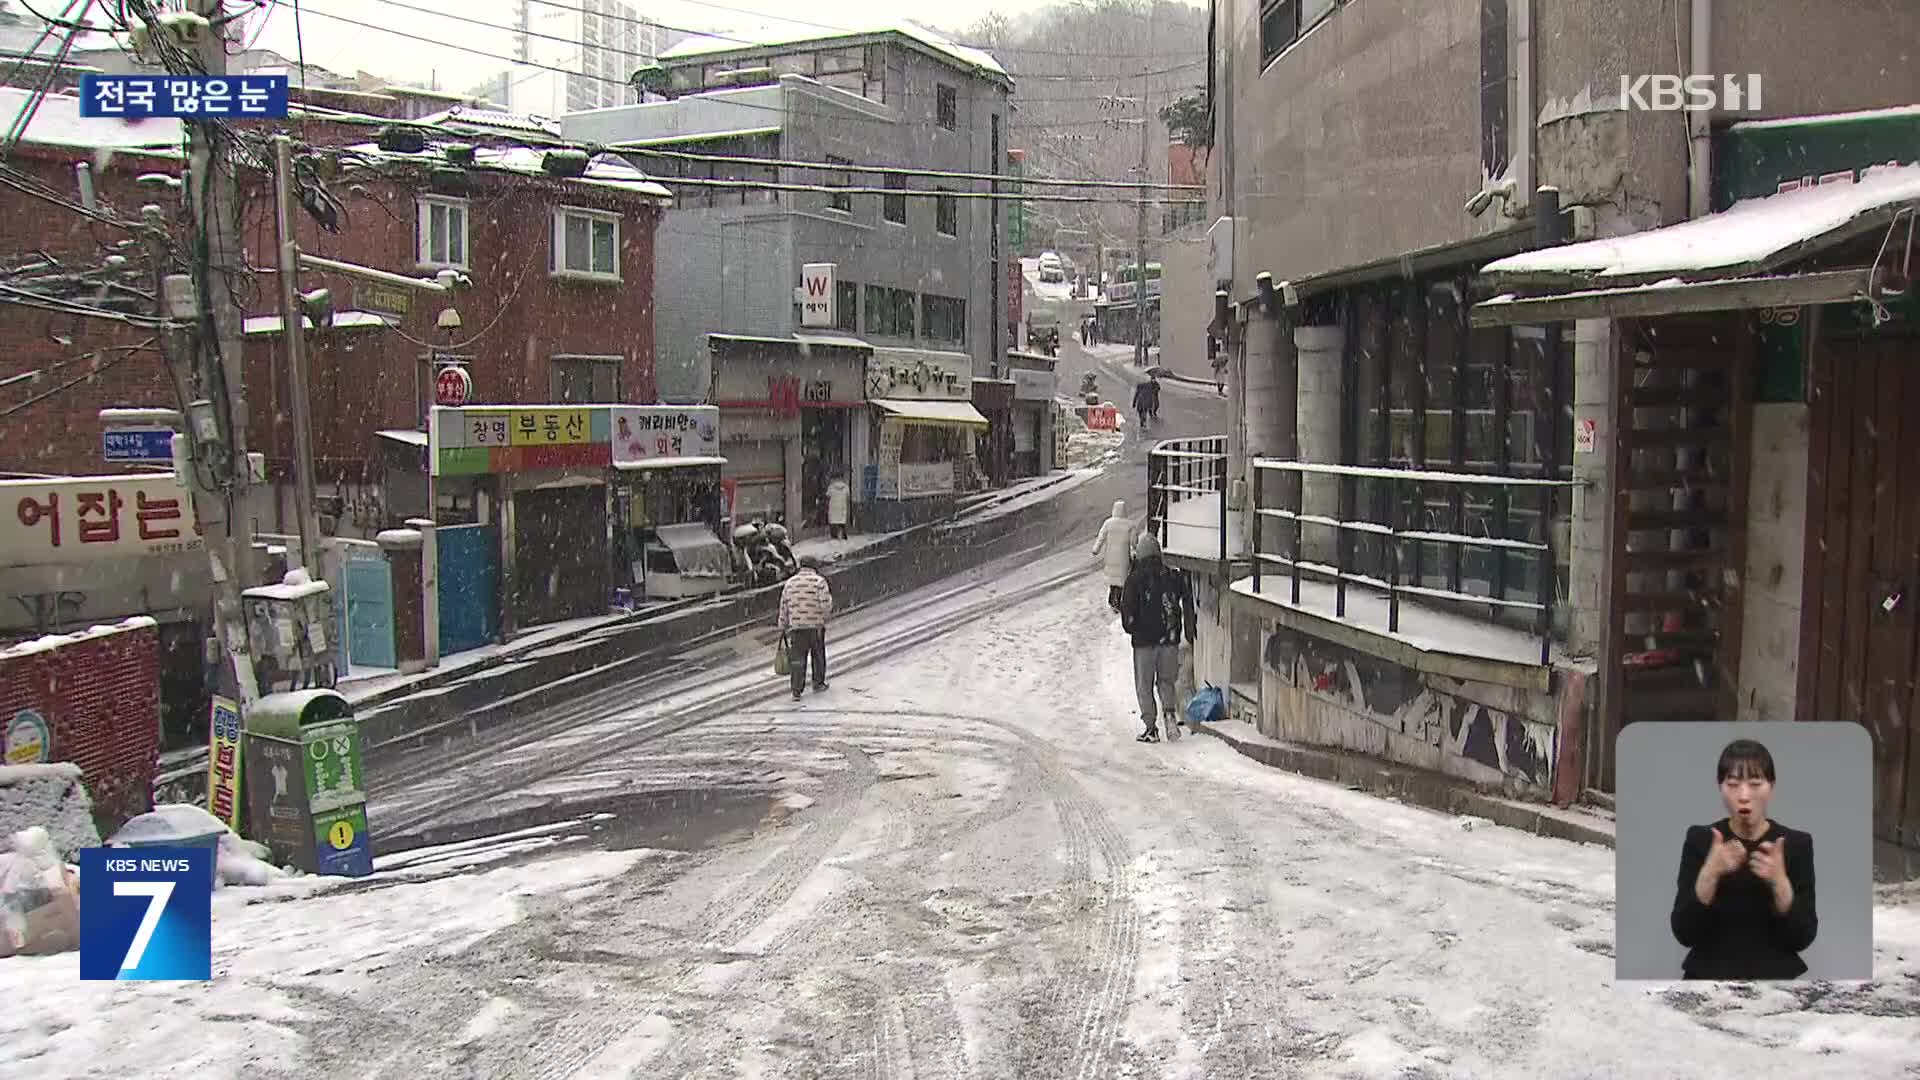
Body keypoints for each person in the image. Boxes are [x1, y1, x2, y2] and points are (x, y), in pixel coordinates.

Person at [1670, 738, 1817, 979]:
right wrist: (1710, 873)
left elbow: (1803, 937)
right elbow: (1684, 933)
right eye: (1733, 784)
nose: (1744, 795)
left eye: (1755, 783)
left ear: (1771, 786)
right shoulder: (1701, 840)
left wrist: (1780, 882)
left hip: (1775, 986)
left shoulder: (1796, 844)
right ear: (1720, 787)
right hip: (1707, 979)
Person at [1119, 532, 1195, 743]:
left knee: (1144, 685)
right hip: (1169, 639)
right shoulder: (1170, 575)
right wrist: (1187, 626)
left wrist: (1132, 627)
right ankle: (1170, 716)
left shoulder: (1134, 579)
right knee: (1166, 681)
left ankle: (1151, 727)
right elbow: (1186, 597)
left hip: (1144, 643)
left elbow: (1127, 610)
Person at [777, 555, 834, 700]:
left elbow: (784, 606)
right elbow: (825, 604)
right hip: (815, 626)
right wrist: (825, 619)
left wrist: (783, 624)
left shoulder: (790, 583)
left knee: (798, 659)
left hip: (796, 627)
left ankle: (796, 690)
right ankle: (818, 682)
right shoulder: (819, 582)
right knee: (818, 655)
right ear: (814, 566)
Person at [1091, 500, 1134, 613]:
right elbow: (1134, 542)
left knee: (1113, 579)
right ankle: (1117, 601)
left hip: (1110, 557)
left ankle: (1112, 600)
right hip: (1123, 558)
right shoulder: (1129, 525)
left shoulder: (1108, 523)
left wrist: (1096, 549)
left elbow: (1101, 537)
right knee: (1121, 580)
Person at [825, 474, 851, 540]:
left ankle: (834, 536)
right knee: (842, 522)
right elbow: (848, 496)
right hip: (842, 506)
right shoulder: (845, 487)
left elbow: (827, 495)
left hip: (833, 507)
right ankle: (843, 535)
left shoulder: (831, 487)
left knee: (833, 522)